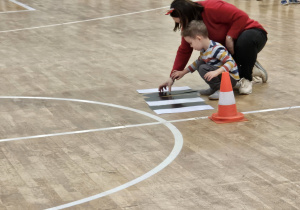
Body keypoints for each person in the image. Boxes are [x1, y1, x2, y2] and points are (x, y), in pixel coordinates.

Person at [159, 0, 268, 95]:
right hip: (229, 49)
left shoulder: (213, 7)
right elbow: (184, 50)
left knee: (244, 41)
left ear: (187, 14)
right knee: (211, 60)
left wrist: (230, 36)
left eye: (181, 21)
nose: (181, 25)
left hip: (253, 33)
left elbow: (242, 16)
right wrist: (171, 78)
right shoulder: (189, 26)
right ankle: (250, 65)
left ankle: (247, 78)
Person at [171, 20, 239, 100]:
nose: (191, 46)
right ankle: (215, 88)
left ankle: (221, 89)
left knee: (203, 68)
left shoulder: (216, 49)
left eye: (191, 43)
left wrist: (216, 72)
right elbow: (197, 63)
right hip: (223, 75)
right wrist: (183, 72)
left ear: (198, 38)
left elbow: (231, 62)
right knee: (200, 65)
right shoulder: (204, 50)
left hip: (231, 78)